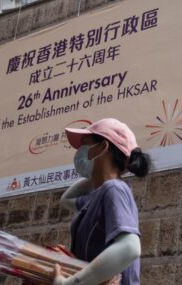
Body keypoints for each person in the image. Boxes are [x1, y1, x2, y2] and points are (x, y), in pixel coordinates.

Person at [53, 118, 151, 285]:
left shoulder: (114, 189)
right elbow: (66, 199)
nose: (80, 151)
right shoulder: (97, 196)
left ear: (103, 147)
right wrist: (96, 177)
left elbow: (130, 247)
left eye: (85, 144)